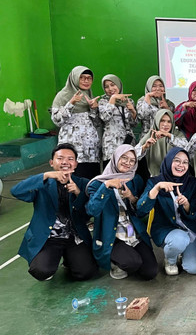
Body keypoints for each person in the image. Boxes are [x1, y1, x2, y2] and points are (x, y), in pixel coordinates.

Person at [10, 143, 97, 281]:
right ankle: (51, 260)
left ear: (76, 163)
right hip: (49, 237)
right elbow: (16, 191)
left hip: (74, 236)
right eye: (60, 158)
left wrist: (78, 194)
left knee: (86, 272)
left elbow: (89, 213)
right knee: (40, 271)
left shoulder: (83, 183)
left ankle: (69, 260)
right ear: (51, 162)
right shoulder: (42, 183)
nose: (65, 162)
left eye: (70, 159)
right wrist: (45, 175)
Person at [86, 145, 158, 280]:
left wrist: (130, 197)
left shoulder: (135, 180)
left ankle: (128, 256)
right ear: (116, 158)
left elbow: (141, 212)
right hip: (113, 235)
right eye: (124, 158)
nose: (127, 163)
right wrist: (106, 187)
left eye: (132, 160)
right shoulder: (97, 183)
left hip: (132, 232)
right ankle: (116, 262)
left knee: (150, 272)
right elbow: (92, 210)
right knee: (132, 262)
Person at [137, 147, 196, 275]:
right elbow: (141, 210)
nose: (181, 165)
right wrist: (157, 189)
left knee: (194, 268)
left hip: (190, 229)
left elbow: (195, 212)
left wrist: (186, 205)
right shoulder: (154, 182)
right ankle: (171, 259)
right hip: (167, 230)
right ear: (168, 161)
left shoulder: (191, 182)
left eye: (185, 162)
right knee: (179, 240)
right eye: (177, 161)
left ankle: (182, 251)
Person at [50, 66, 101, 179]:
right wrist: (71, 103)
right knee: (73, 178)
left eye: (89, 78)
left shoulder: (88, 95)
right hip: (72, 147)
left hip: (90, 149)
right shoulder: (62, 96)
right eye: (82, 78)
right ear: (74, 78)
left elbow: (97, 123)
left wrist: (94, 108)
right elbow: (57, 120)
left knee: (91, 179)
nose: (86, 81)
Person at [135, 109, 189, 177]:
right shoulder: (150, 135)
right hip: (156, 177)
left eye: (169, 122)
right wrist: (145, 146)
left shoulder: (177, 135)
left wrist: (169, 136)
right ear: (157, 121)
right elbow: (133, 155)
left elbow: (188, 149)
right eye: (162, 121)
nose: (165, 124)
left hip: (177, 176)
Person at [98, 74, 137, 163]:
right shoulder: (103, 102)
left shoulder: (129, 101)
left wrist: (133, 112)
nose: (110, 89)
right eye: (106, 87)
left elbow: (133, 124)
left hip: (128, 142)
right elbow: (105, 117)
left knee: (128, 170)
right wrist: (113, 99)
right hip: (111, 144)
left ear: (118, 84)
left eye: (112, 85)